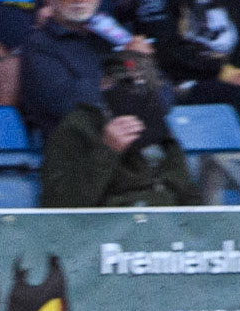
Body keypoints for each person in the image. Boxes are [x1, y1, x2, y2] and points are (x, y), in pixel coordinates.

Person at [39, 49, 197, 208]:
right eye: (127, 82)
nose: (136, 91)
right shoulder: (78, 127)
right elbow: (59, 204)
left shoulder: (156, 126)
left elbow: (186, 192)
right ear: (105, 83)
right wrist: (107, 150)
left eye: (146, 84)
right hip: (107, 227)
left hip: (162, 223)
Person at [19, 0, 154, 135]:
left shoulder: (116, 35)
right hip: (79, 147)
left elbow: (163, 94)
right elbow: (67, 103)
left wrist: (141, 66)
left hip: (135, 139)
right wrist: (125, 70)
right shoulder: (39, 44)